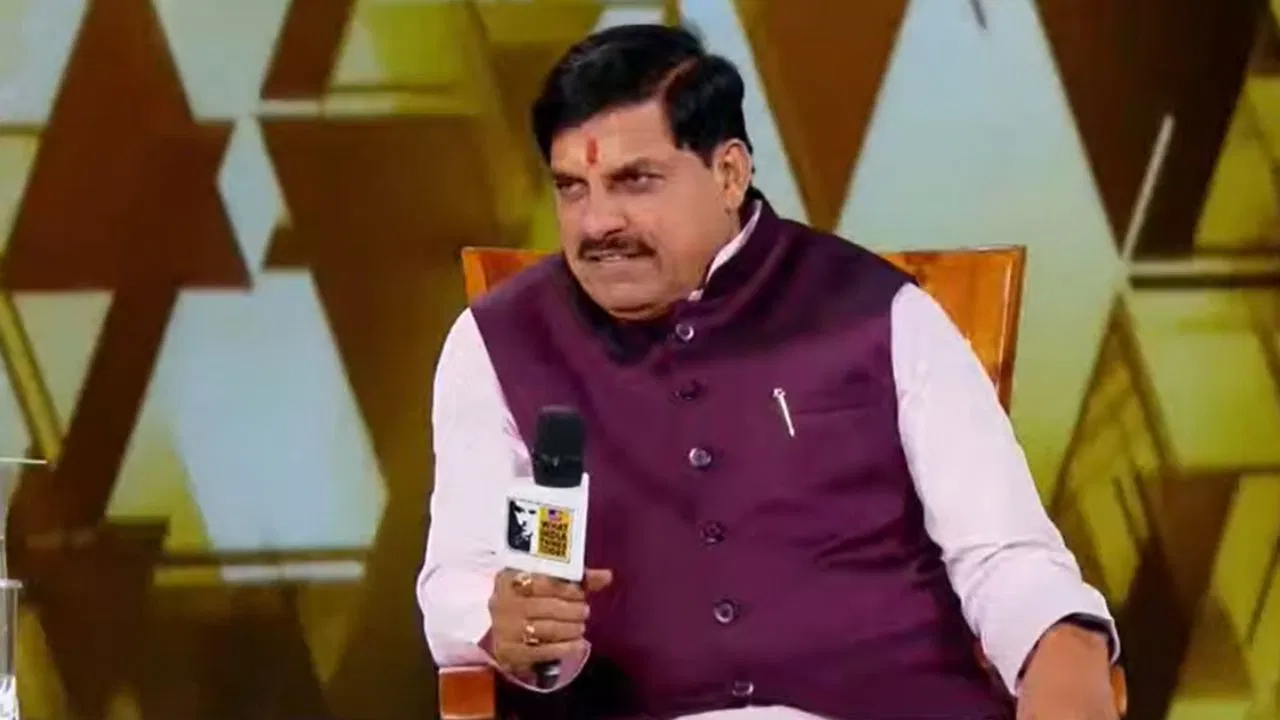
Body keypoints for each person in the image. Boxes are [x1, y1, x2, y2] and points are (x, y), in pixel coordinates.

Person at [418, 23, 1120, 720]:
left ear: (729, 174)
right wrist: (500, 620)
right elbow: (461, 576)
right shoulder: (503, 341)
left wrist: (1067, 648)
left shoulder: (881, 315)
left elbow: (1003, 555)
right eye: (572, 188)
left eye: (635, 181)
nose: (597, 223)